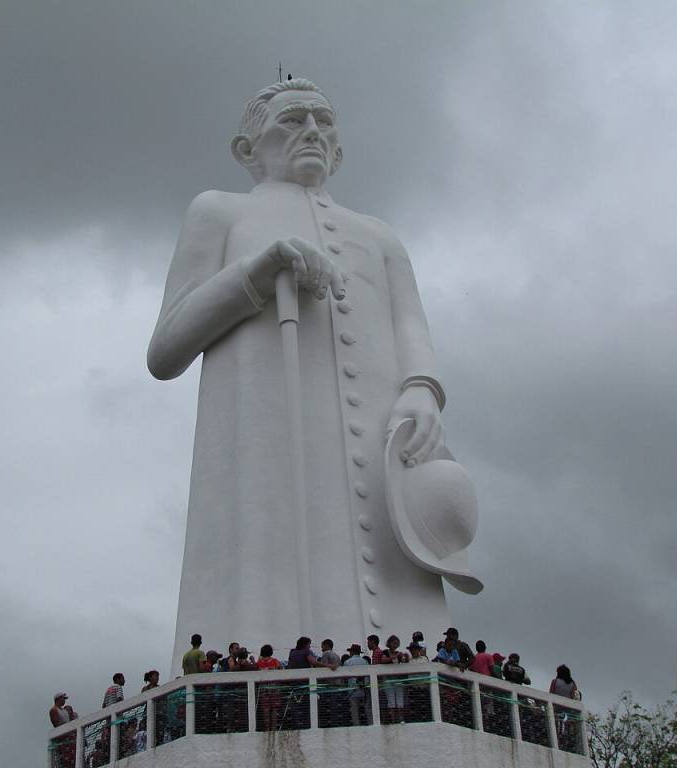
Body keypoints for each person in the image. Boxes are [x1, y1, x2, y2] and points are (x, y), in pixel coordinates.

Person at [152, 78, 458, 667]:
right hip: (267, 443)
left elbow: (410, 325)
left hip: (382, 437)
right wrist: (256, 273)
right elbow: (165, 350)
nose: (312, 131)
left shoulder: (379, 234)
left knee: (397, 570)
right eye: (292, 120)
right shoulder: (222, 211)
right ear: (248, 149)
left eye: (324, 120)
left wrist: (423, 388)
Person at [379, 634, 410, 723]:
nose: (395, 645)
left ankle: (400, 719)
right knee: (391, 700)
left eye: (397, 643)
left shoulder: (398, 654)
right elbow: (383, 660)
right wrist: (394, 657)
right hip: (388, 680)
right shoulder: (385, 652)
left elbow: (404, 661)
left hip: (397, 679)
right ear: (389, 643)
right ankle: (393, 720)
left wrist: (406, 657)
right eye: (394, 643)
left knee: (400, 700)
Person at [255, 644, 283, 730]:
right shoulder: (275, 661)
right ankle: (274, 728)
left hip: (263, 689)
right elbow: (281, 670)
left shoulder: (259, 663)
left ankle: (267, 728)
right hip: (274, 688)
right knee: (274, 709)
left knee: (265, 709)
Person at [343, 643, 371, 726]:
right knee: (368, 709)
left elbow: (345, 677)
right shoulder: (365, 661)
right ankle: (371, 724)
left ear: (352, 652)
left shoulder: (347, 662)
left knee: (354, 711)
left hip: (353, 690)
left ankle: (356, 726)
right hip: (365, 689)